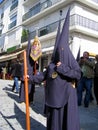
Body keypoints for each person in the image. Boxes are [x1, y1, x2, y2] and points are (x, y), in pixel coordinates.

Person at [28, 8, 81, 130]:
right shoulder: (52, 64)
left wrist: (62, 68)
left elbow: (78, 74)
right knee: (54, 123)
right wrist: (29, 77)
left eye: (62, 50)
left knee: (66, 123)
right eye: (57, 50)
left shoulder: (71, 61)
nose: (59, 52)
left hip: (67, 98)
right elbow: (43, 75)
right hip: (53, 98)